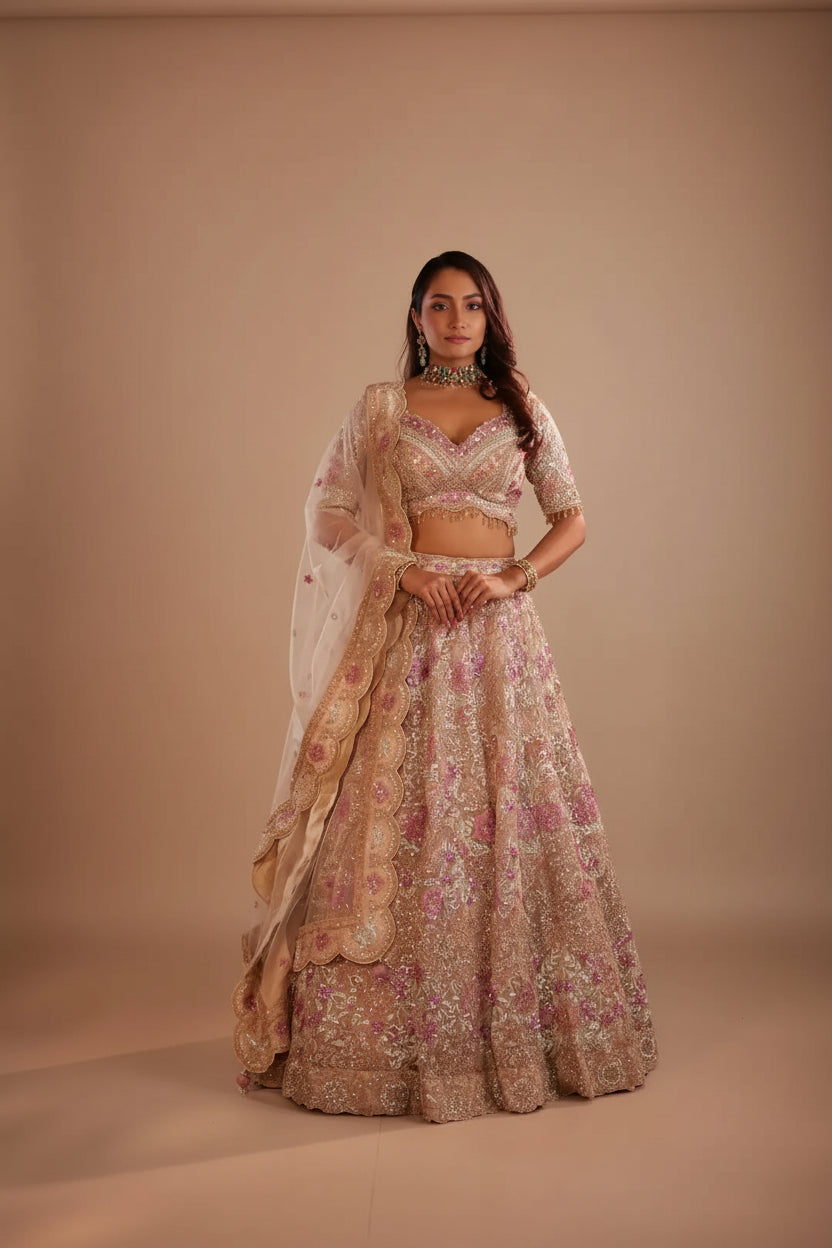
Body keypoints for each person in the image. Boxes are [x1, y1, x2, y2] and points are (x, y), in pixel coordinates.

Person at [231, 250, 658, 1123]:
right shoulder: (382, 410)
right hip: (410, 632)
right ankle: (392, 1054)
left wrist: (513, 578)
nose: (456, 319)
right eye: (438, 305)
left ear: (490, 315)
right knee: (404, 826)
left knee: (507, 819)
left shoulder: (521, 405)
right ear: (416, 318)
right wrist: (401, 569)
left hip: (501, 639)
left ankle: (520, 1037)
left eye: (471, 305)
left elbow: (571, 518)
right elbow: (329, 512)